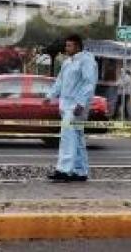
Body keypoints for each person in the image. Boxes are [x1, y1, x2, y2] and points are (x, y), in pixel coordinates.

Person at [45, 34, 98, 182]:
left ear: (77, 46)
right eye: (66, 45)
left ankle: (64, 170)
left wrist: (81, 103)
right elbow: (60, 82)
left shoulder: (86, 61)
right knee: (77, 138)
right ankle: (80, 171)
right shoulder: (68, 63)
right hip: (66, 105)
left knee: (68, 138)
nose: (66, 48)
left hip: (76, 106)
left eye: (69, 45)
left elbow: (89, 83)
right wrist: (49, 96)